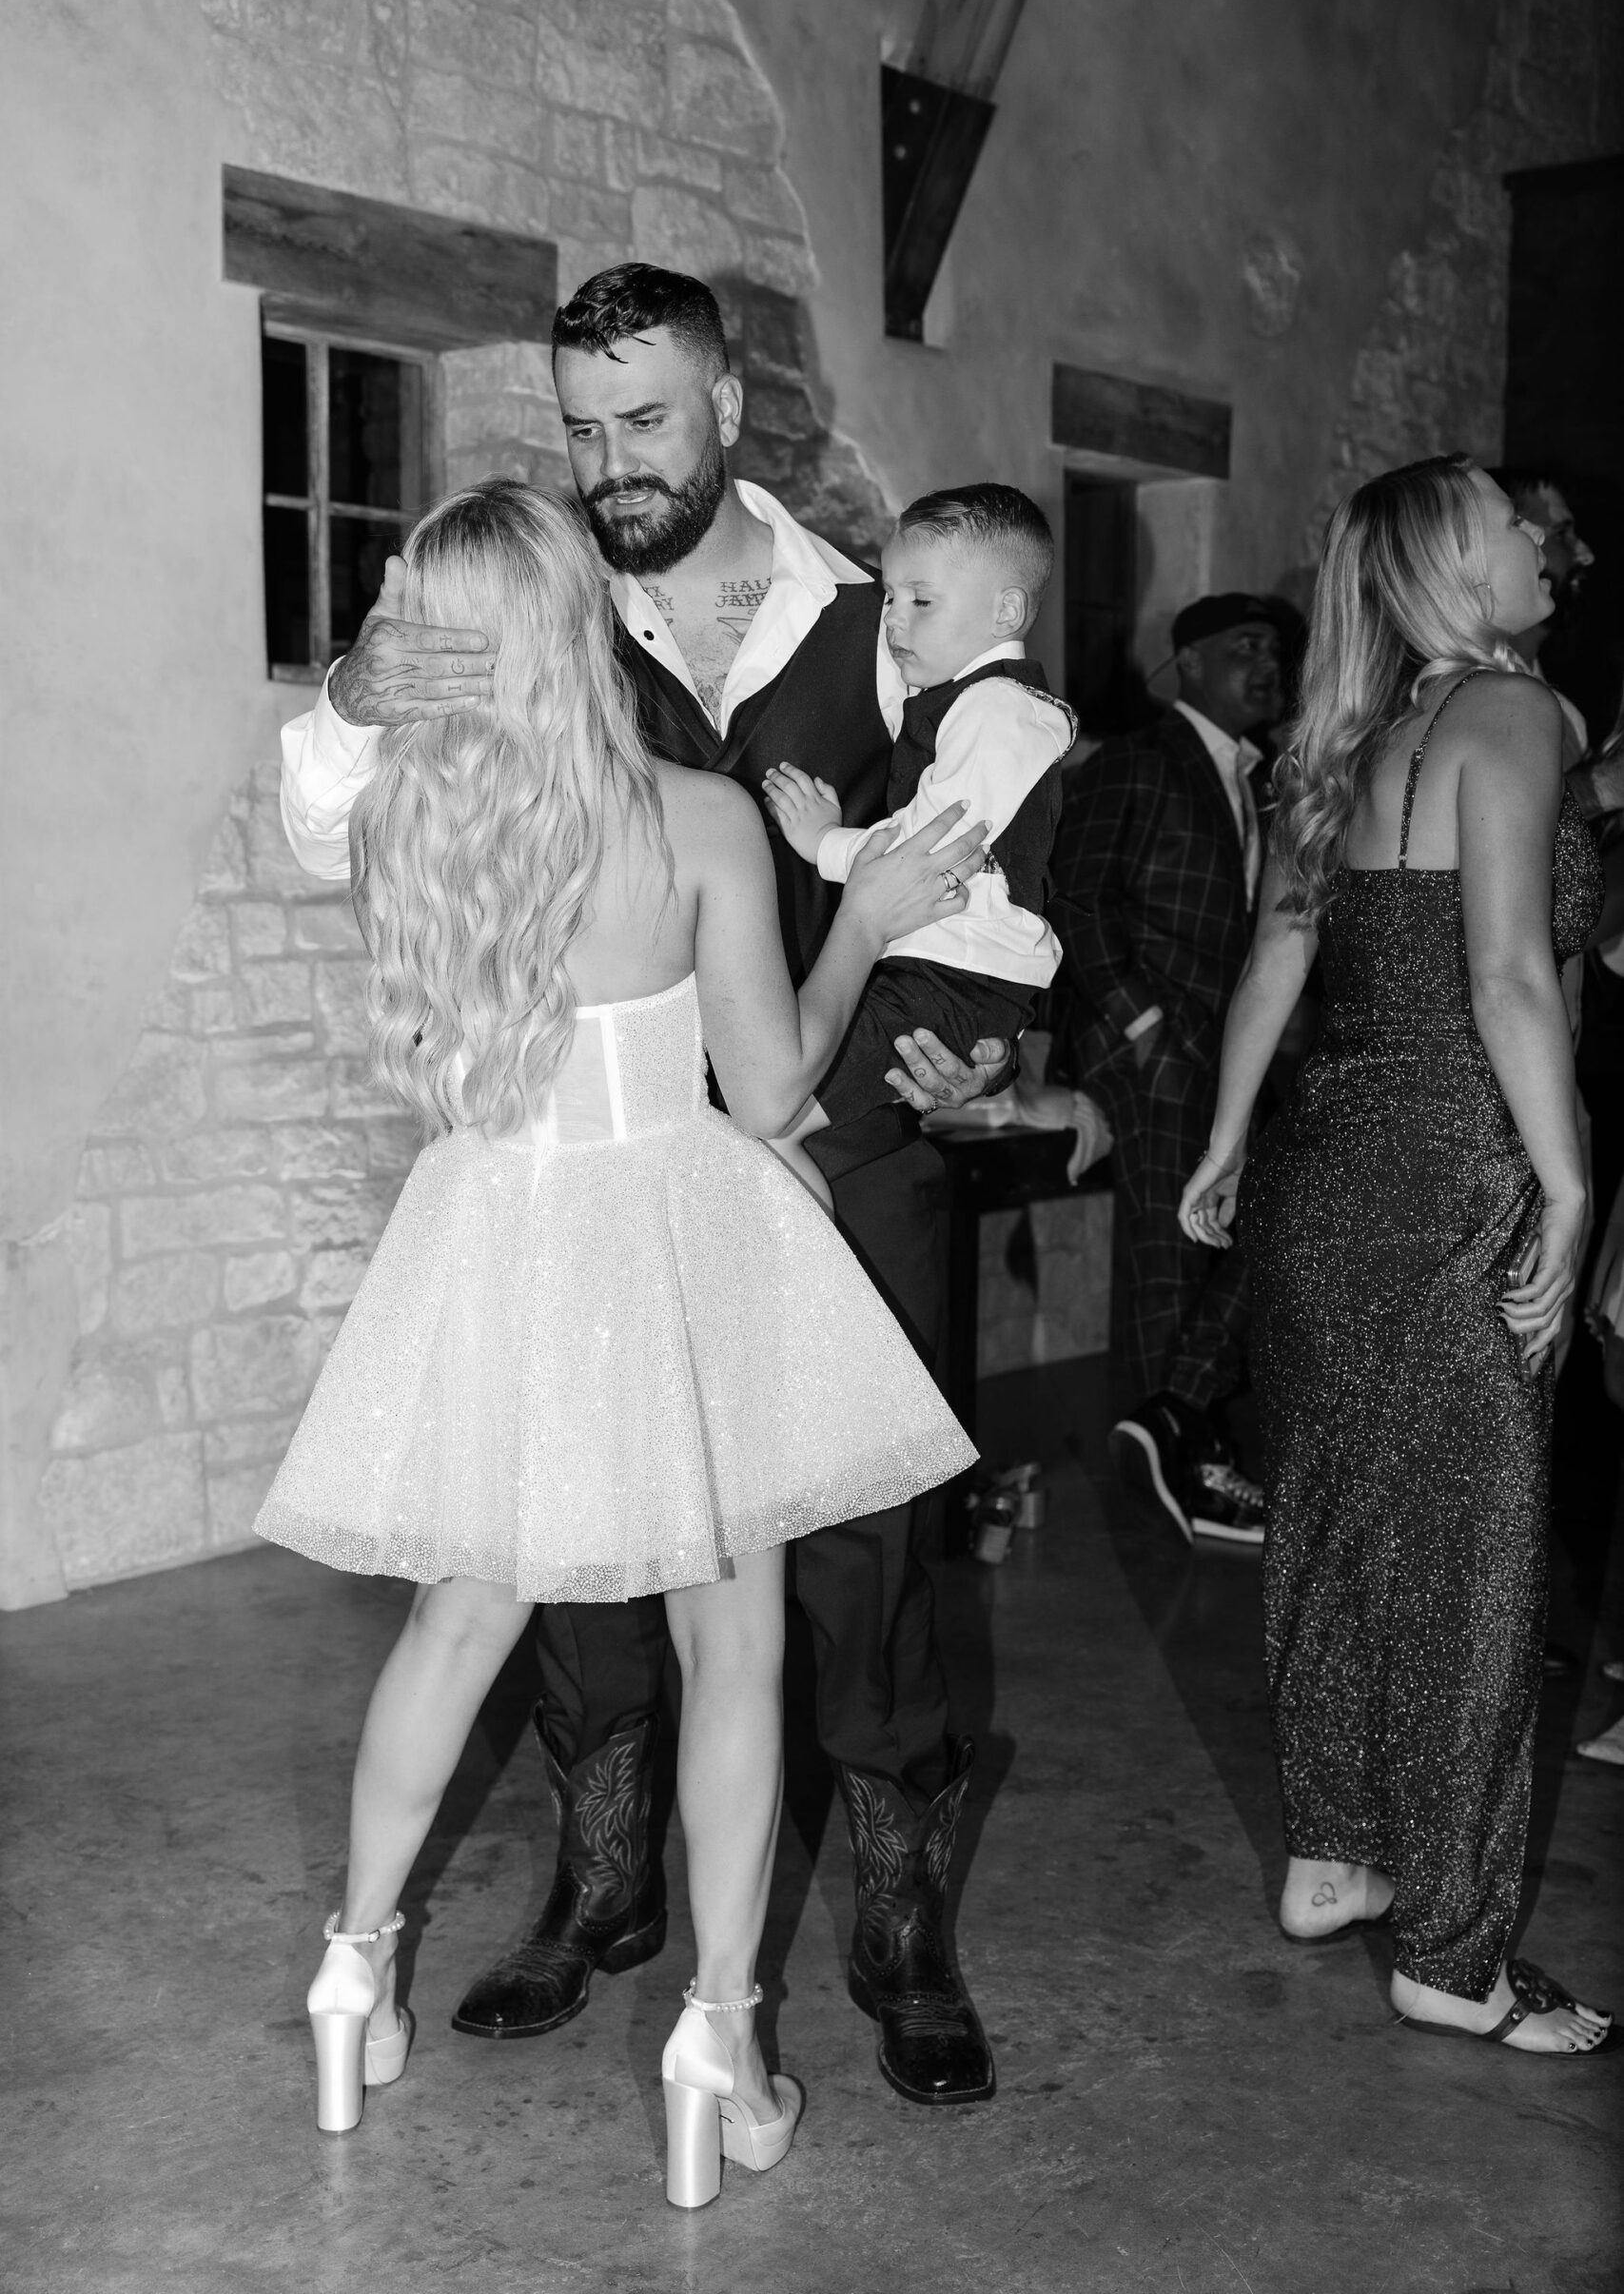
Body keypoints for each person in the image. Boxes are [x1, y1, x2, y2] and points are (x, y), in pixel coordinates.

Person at [279, 263, 1007, 2107]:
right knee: (699, 1624)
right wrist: (360, 691)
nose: (609, 461)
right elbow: (758, 1070)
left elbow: (1005, 834)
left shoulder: (881, 608)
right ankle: (696, 2002)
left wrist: (998, 1027)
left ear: (728, 404)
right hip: (695, 1194)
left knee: (844, 1581)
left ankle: (362, 1972)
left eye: (643, 422)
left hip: (604, 1209)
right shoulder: (660, 802)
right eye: (580, 433)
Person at [1179, 455, 1612, 2054]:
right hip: (1452, 1171)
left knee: (1334, 1531)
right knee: (1474, 1569)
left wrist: (1225, 1144)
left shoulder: (1339, 745)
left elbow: (1276, 951)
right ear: (1454, 561)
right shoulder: (1511, 717)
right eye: (1512, 516)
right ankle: (1450, 1952)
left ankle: (1333, 1858)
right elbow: (1504, 974)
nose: (1536, 531)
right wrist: (1567, 1193)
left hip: (1315, 1181)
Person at [1047, 594, 1284, 1545]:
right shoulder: (1137, 760)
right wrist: (1141, 1026)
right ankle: (1182, 1467)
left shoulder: (1259, 776)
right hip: (1146, 1046)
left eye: (1275, 649)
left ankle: (1175, 1419)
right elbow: (1077, 896)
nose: (1267, 665)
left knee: (1249, 1223)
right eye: (1243, 649)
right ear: (1187, 664)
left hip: (1219, 1048)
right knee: (1173, 1250)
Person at [761, 483, 1073, 1182]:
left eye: (921, 601)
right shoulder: (964, 703)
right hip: (942, 972)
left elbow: (928, 852)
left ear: (1007, 610)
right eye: (890, 599)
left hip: (949, 978)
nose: (894, 620)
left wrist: (821, 842)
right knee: (775, 1127)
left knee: (771, 1121)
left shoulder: (998, 709)